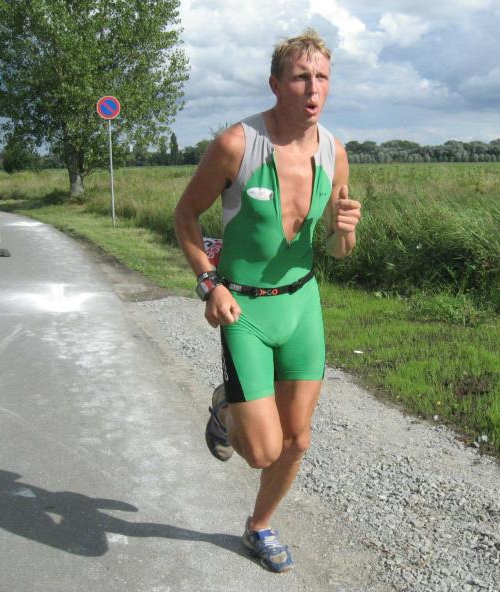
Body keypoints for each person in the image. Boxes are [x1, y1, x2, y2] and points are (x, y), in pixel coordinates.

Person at [173, 28, 361, 573]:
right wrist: (209, 283)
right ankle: (225, 405)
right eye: (301, 77)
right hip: (245, 309)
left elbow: (336, 250)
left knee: (297, 439)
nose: (313, 88)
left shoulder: (335, 153)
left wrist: (345, 231)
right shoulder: (237, 144)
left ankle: (259, 525)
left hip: (301, 305)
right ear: (275, 84)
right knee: (261, 451)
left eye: (322, 77)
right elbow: (185, 216)